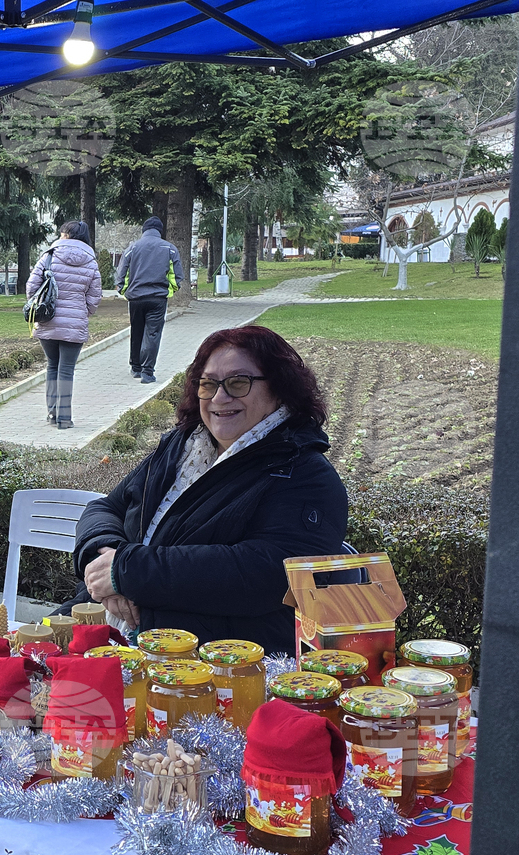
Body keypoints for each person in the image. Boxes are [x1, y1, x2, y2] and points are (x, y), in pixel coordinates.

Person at [72, 325, 348, 655]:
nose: (219, 398)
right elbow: (107, 508)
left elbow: (264, 573)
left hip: (213, 663)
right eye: (208, 384)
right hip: (115, 628)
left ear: (279, 388)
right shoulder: (182, 445)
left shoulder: (303, 473)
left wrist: (125, 572)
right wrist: (103, 557)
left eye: (237, 383)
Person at [25, 221, 102, 429]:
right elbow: (95, 296)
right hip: (75, 323)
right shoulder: (91, 262)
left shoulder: (49, 256)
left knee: (52, 365)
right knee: (67, 369)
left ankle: (52, 414)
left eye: (62, 232)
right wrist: (83, 313)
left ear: (66, 234)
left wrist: (39, 307)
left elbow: (31, 286)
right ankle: (65, 419)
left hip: (48, 320)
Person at [115, 216, 183, 384]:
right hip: (157, 299)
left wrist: (125, 291)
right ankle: (147, 372)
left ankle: (135, 367)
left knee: (136, 331)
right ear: (160, 231)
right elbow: (177, 276)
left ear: (144, 230)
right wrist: (169, 291)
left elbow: (121, 273)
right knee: (152, 334)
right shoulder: (170, 249)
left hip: (136, 298)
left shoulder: (132, 248)